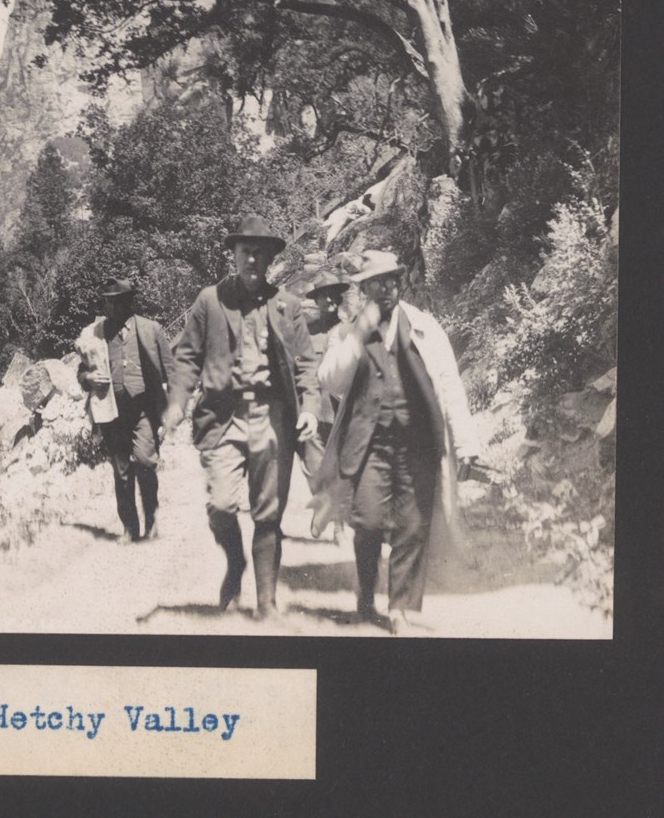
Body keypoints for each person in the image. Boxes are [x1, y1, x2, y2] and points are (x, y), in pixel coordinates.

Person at [312, 250, 480, 634]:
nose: (385, 289)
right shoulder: (348, 332)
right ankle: (366, 598)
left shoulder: (425, 327)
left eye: (391, 280)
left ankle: (400, 608)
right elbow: (331, 381)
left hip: (418, 443)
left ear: (399, 283)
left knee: (412, 525)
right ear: (365, 289)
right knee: (368, 521)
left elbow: (450, 385)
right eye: (376, 283)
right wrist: (358, 333)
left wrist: (466, 442)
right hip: (370, 445)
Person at [162, 216, 320, 620]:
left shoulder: (288, 305)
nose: (252, 258)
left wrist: (311, 410)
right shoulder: (209, 301)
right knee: (220, 505)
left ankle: (266, 603)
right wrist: (177, 402)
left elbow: (306, 365)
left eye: (260, 253)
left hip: (272, 418)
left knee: (268, 514)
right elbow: (186, 358)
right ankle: (235, 563)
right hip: (223, 418)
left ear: (269, 259)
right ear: (233, 255)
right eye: (245, 251)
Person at [76, 278, 175, 542]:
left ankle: (152, 520)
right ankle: (130, 528)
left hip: (144, 410)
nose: (111, 307)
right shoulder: (95, 334)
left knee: (145, 461)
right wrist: (89, 379)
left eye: (117, 301)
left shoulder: (151, 329)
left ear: (129, 302)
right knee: (121, 472)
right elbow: (82, 372)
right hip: (112, 412)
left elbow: (172, 370)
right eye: (107, 301)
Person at [299, 271, 351, 491]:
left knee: (344, 466)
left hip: (342, 412)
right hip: (313, 412)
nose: (329, 300)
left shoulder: (348, 332)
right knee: (314, 468)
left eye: (333, 295)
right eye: (324, 296)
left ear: (339, 299)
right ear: (316, 300)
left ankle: (341, 519)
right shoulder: (305, 333)